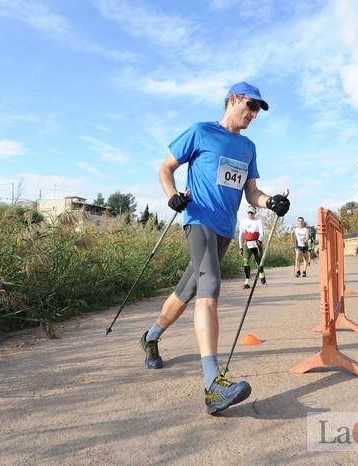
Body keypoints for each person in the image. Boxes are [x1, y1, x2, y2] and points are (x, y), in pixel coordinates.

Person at [139, 82, 290, 415]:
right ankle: (212, 385)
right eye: (250, 106)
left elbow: (251, 193)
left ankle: (150, 337)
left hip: (224, 228)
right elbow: (166, 168)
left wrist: (270, 202)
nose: (252, 114)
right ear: (233, 99)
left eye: (257, 111)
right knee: (210, 285)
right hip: (198, 220)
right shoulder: (201, 132)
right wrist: (172, 196)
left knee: (188, 289)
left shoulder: (248, 147)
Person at [238, 205, 266, 288]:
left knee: (259, 262)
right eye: (249, 212)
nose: (250, 214)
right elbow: (241, 235)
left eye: (252, 213)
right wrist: (240, 247)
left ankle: (261, 273)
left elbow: (261, 232)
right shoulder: (243, 222)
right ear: (247, 213)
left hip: (256, 243)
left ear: (255, 213)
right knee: (246, 262)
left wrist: (260, 240)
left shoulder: (258, 221)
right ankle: (247, 281)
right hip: (247, 244)